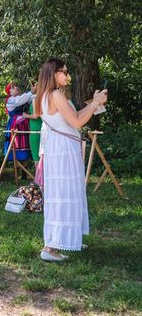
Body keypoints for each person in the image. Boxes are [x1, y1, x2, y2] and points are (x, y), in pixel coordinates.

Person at [35, 58, 107, 262]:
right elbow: (77, 122)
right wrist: (95, 102)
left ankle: (68, 237)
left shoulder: (45, 95)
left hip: (60, 148)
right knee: (63, 193)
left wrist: (94, 103)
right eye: (64, 72)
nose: (68, 75)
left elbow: (74, 116)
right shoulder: (55, 94)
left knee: (68, 192)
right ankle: (50, 247)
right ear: (53, 73)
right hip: (63, 150)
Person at [4, 81, 33, 161]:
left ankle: (25, 165)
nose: (10, 90)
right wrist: (31, 92)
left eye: (13, 88)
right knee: (15, 143)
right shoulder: (11, 100)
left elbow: (30, 99)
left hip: (24, 124)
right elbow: (19, 101)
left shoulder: (23, 97)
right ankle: (17, 163)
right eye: (11, 88)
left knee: (26, 143)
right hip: (15, 125)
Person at [23, 80, 42, 162]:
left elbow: (36, 115)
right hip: (42, 128)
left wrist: (26, 115)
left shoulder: (35, 97)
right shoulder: (44, 97)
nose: (31, 87)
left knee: (36, 157)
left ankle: (38, 171)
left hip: (35, 129)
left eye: (33, 86)